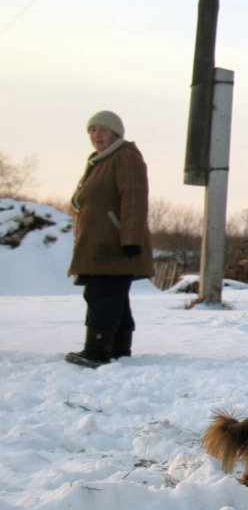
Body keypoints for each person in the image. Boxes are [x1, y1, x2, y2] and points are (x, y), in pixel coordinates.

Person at [66, 111, 153, 367]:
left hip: (115, 244)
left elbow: (134, 197)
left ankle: (97, 350)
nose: (97, 135)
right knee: (113, 296)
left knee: (102, 294)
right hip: (98, 243)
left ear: (116, 132)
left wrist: (131, 239)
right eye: (92, 130)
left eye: (103, 130)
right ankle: (118, 347)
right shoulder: (98, 160)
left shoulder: (125, 156)